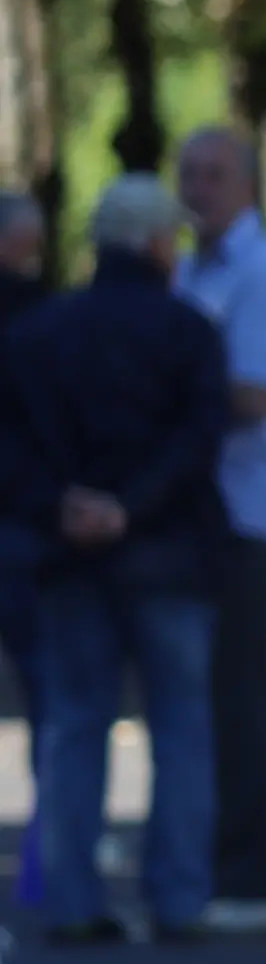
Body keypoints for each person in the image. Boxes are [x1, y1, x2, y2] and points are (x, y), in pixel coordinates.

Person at [9, 176, 228, 942]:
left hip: (67, 560)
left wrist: (65, 504)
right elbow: (198, 442)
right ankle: (179, 896)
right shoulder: (186, 330)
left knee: (73, 726)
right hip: (168, 556)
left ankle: (71, 898)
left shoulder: (39, 333)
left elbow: (12, 447)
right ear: (157, 243)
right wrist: (130, 506)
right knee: (181, 729)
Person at [175, 127, 266, 934]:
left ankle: (258, 876)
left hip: (249, 510)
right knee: (209, 697)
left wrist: (156, 403)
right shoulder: (191, 268)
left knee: (240, 696)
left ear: (248, 183)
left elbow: (255, 395)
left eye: (215, 173)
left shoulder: (264, 276)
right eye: (189, 173)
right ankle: (213, 854)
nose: (200, 187)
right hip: (205, 510)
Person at [0, 193, 49, 752]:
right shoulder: (41, 315)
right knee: (44, 676)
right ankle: (50, 833)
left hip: (21, 510)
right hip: (23, 511)